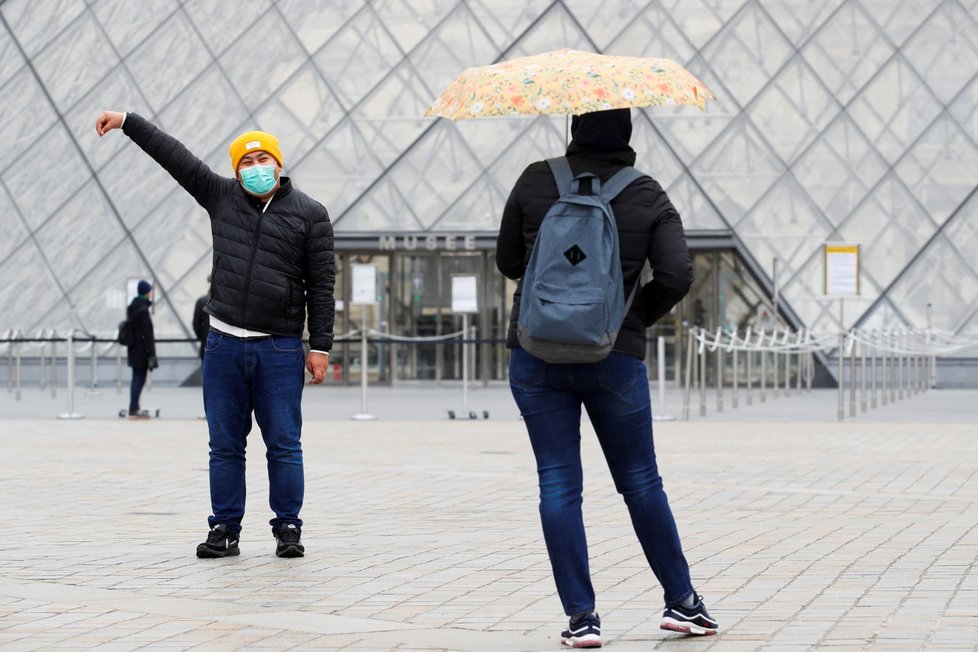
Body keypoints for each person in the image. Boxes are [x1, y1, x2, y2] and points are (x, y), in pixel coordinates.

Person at [496, 109, 718, 643]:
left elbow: (507, 262)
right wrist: (632, 314)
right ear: (627, 132)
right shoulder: (646, 192)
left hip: (536, 354)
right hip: (613, 355)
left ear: (575, 128)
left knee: (557, 483)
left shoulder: (534, 177)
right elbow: (677, 273)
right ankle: (681, 602)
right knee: (641, 481)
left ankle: (581, 618)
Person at [96, 110, 335, 560]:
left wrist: (319, 345)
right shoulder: (219, 196)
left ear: (279, 165)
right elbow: (174, 156)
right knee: (225, 445)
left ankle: (288, 527)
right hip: (224, 343)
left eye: (264, 158)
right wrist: (127, 121)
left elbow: (322, 285)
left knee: (284, 442)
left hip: (280, 346)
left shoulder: (310, 215)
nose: (256, 167)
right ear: (235, 170)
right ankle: (224, 528)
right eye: (247, 162)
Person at [126, 279, 157, 419]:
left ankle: (134, 406)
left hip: (133, 349)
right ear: (146, 291)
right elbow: (147, 335)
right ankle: (133, 408)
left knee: (136, 378)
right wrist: (151, 355)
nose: (151, 293)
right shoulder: (143, 310)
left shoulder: (133, 307)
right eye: (150, 290)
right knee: (139, 379)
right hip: (142, 351)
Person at [192, 277, 210, 361]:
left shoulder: (201, 301)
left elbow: (196, 324)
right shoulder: (225, 301)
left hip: (206, 344)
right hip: (222, 348)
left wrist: (202, 337)